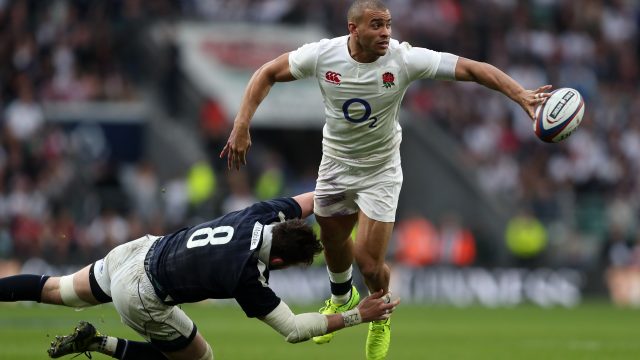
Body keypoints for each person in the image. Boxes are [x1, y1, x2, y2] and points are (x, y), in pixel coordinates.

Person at [219, 1, 551, 358]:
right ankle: (342, 297)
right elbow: (267, 72)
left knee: (369, 262)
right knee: (332, 243)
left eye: (388, 25)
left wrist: (521, 95)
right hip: (335, 164)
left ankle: (380, 318)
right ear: (353, 29)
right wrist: (241, 124)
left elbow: (470, 68)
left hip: (380, 171)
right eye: (376, 25)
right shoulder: (323, 55)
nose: (386, 33)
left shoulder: (403, 59)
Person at [0, 192, 399, 360]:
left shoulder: (260, 215)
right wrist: (356, 316)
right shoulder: (246, 276)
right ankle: (100, 342)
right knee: (198, 359)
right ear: (277, 263)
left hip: (137, 251)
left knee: (55, 289)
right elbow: (293, 329)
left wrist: (347, 192)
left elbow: (315, 198)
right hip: (141, 292)